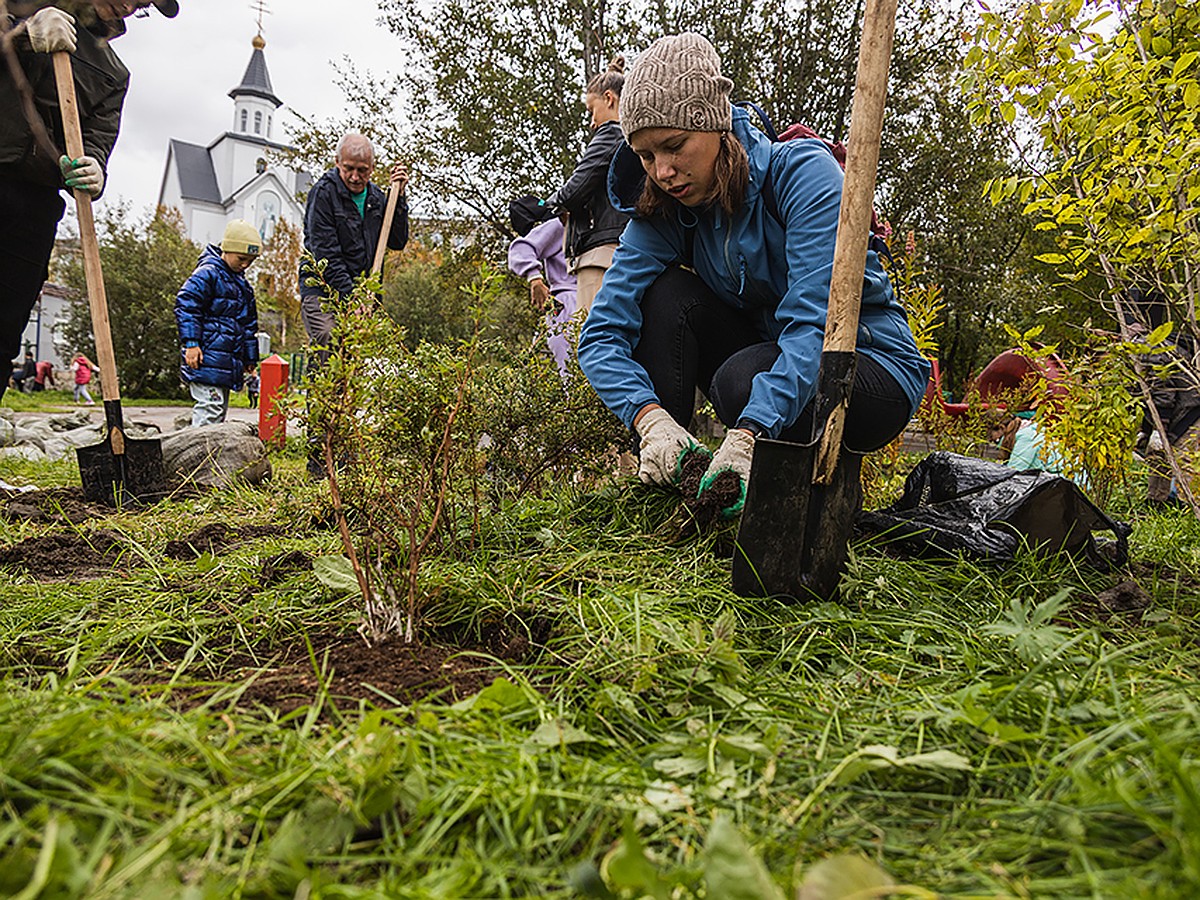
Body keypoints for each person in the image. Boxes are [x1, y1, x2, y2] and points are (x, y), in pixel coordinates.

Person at [578, 33, 931, 518]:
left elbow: (814, 327)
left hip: (867, 365)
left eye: (674, 145)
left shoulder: (802, 176)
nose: (662, 171)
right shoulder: (667, 210)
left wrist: (746, 435)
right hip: (771, 359)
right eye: (644, 155)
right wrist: (649, 419)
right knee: (665, 297)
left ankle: (795, 500)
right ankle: (676, 488)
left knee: (741, 382)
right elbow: (600, 336)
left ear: (717, 125)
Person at [0, 1, 178, 404]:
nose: (132, 6)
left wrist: (96, 168)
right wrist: (21, 35)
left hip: (36, 207)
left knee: (4, 334)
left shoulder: (113, 72)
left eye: (144, 4)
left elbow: (98, 139)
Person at [545, 57, 630, 315]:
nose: (592, 122)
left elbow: (574, 190)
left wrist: (546, 204)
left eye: (592, 110)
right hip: (621, 247)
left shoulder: (610, 134)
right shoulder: (633, 139)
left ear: (609, 98)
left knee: (593, 338)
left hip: (600, 253)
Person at [174, 220, 262, 427]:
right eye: (242, 258)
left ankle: (209, 454)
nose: (245, 265)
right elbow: (186, 305)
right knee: (210, 409)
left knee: (218, 411)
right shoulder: (208, 274)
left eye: (250, 261)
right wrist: (191, 343)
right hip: (205, 359)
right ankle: (199, 455)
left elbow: (249, 325)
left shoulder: (243, 286)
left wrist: (249, 358)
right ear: (227, 249)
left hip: (224, 363)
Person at [507, 196, 577, 378]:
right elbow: (520, 249)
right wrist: (534, 277)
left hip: (573, 302)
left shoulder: (565, 220)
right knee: (574, 376)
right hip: (568, 302)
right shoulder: (557, 224)